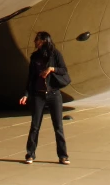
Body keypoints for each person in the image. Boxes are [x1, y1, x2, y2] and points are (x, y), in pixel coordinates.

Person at [19, 31, 70, 165]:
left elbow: (64, 70)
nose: (35, 42)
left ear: (43, 41)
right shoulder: (34, 57)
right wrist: (26, 94)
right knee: (35, 126)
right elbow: (31, 78)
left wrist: (52, 69)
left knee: (58, 126)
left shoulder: (55, 54)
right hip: (38, 95)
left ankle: (63, 156)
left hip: (54, 94)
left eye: (37, 40)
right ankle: (30, 154)